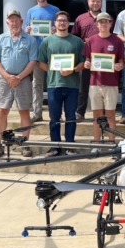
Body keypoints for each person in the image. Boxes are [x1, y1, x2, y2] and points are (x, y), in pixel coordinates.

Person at [0, 10, 38, 158]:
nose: (15, 23)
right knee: (2, 111)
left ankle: (24, 144)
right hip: (5, 80)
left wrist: (19, 77)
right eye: (12, 20)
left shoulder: (30, 40)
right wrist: (8, 76)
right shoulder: (0, 39)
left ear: (22, 22)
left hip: (23, 80)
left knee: (24, 111)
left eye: (17, 20)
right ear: (7, 23)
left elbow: (33, 62)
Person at [37, 11, 85, 157]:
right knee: (54, 118)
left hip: (72, 85)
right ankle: (55, 146)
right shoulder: (47, 41)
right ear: (55, 23)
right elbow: (41, 62)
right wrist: (55, 70)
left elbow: (83, 62)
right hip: (54, 85)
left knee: (71, 117)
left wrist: (72, 71)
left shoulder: (77, 41)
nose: (62, 23)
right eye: (59, 20)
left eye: (64, 20)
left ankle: (70, 145)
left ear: (68, 23)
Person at [83, 13, 125, 147]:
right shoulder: (91, 40)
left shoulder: (117, 41)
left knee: (110, 114)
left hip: (111, 83)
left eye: (106, 22)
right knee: (97, 115)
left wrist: (120, 66)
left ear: (111, 24)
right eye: (101, 22)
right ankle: (97, 143)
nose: (104, 24)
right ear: (97, 24)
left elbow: (121, 62)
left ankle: (112, 143)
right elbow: (88, 59)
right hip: (95, 83)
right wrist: (86, 64)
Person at [25, 0, 60, 123]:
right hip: (38, 54)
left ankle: (56, 114)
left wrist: (55, 30)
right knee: (36, 85)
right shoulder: (31, 11)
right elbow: (28, 30)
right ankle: (37, 113)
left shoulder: (55, 10)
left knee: (55, 85)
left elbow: (61, 27)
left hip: (52, 53)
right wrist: (28, 31)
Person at [72, 0, 106, 122]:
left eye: (98, 1)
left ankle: (102, 114)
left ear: (101, 2)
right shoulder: (80, 19)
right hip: (85, 58)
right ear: (88, 1)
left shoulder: (108, 18)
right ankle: (80, 112)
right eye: (93, 1)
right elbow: (74, 38)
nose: (95, 3)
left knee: (102, 86)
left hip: (103, 59)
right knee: (83, 87)